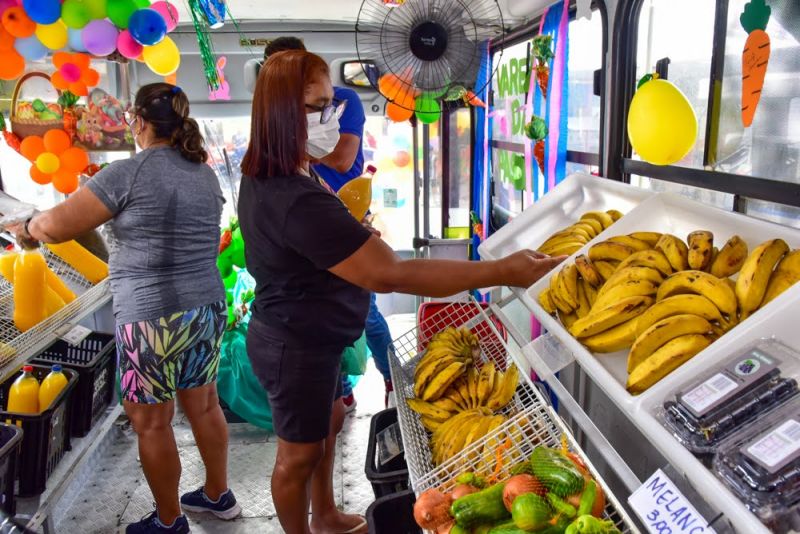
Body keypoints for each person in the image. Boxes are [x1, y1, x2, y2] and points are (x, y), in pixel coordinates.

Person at [238, 50, 564, 534]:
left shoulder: (289, 171)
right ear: (282, 113)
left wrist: (350, 231)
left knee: (327, 426)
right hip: (296, 346)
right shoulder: (291, 195)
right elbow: (389, 275)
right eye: (319, 107)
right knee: (297, 455)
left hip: (314, 336)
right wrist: (501, 271)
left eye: (333, 105)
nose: (333, 118)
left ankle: (325, 515)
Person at [7, 83, 240, 534]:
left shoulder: (128, 172)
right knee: (206, 404)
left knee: (151, 422)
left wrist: (29, 225)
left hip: (151, 314)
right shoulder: (203, 173)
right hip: (206, 306)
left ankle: (169, 522)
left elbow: (57, 226)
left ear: (137, 121)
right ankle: (218, 495)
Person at [264, 36, 396, 411]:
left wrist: (298, 146)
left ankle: (392, 378)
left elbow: (341, 160)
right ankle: (339, 389)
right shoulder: (275, 182)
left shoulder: (345, 101)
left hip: (346, 212)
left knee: (364, 310)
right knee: (319, 311)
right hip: (310, 223)